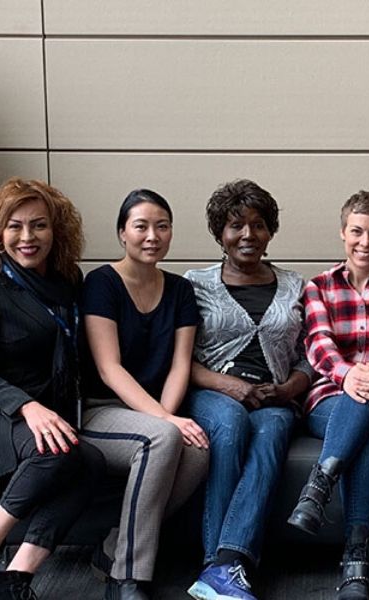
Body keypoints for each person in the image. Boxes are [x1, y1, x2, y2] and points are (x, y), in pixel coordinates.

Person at [0, 179, 105, 600]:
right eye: (15, 226)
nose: (27, 238)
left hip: (41, 406)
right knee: (59, 451)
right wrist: (29, 408)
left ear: (57, 231)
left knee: (92, 463)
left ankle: (14, 578)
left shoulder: (69, 280)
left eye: (39, 226)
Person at [286, 191, 369, 600]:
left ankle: (319, 485)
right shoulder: (318, 288)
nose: (366, 242)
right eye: (357, 232)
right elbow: (319, 345)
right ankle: (356, 560)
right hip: (330, 399)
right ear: (343, 232)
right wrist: (349, 376)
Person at [184, 180, 312, 600]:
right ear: (220, 231)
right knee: (232, 423)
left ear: (270, 231)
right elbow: (181, 358)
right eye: (236, 225)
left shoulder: (296, 285)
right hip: (213, 393)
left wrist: (290, 388)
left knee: (274, 429)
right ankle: (217, 564)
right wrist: (230, 386)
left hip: (276, 397)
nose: (247, 235)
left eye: (258, 225)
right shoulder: (195, 284)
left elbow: (309, 354)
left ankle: (228, 564)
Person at [81, 189, 209, 600]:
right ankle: (128, 577)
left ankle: (114, 544)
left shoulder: (180, 290)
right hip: (101, 411)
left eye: (162, 226)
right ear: (122, 233)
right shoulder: (101, 283)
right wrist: (165, 422)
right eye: (141, 226)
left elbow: (180, 365)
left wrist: (166, 417)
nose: (152, 235)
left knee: (198, 449)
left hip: (155, 413)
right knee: (166, 437)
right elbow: (109, 368)